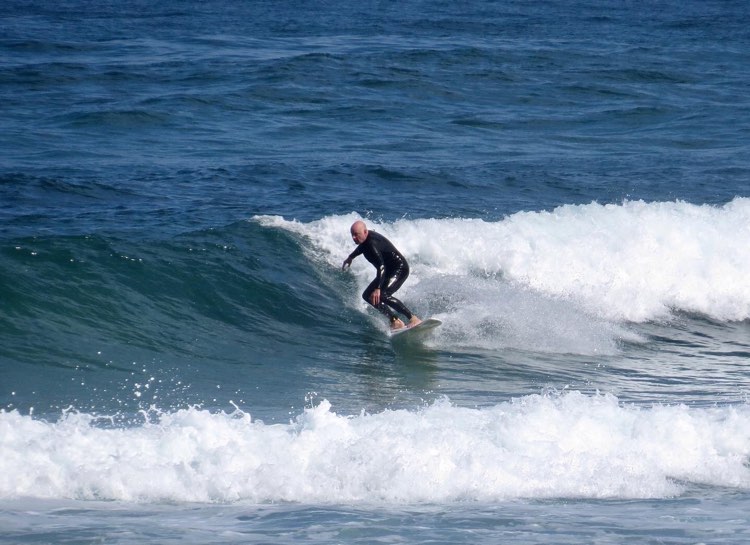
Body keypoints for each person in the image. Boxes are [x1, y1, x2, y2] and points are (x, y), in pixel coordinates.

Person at [342, 220, 421, 330]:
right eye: (352, 235)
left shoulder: (372, 244)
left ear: (365, 232)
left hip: (400, 269)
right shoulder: (365, 240)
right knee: (367, 295)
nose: (354, 238)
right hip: (388, 271)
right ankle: (395, 321)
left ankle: (413, 318)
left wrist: (378, 288)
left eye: (356, 235)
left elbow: (381, 266)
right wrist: (351, 257)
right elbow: (362, 247)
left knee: (382, 295)